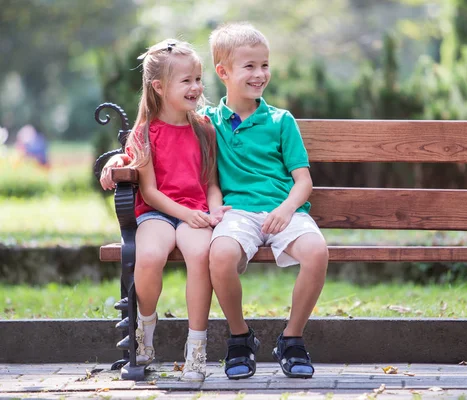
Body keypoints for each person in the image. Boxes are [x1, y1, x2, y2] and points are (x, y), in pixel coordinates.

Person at [99, 38, 229, 382]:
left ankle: (197, 349)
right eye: (186, 81)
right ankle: (145, 327)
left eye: (198, 79)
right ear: (159, 86)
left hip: (196, 210)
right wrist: (118, 159)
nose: (196, 87)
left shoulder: (204, 129)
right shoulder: (145, 132)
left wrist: (214, 212)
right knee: (150, 255)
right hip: (157, 212)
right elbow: (152, 192)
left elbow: (212, 183)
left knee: (201, 254)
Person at [205, 22, 329, 380]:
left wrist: (286, 209)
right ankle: (240, 337)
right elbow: (210, 179)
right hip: (237, 212)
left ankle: (291, 339)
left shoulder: (280, 120)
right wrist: (215, 208)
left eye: (265, 65)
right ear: (223, 72)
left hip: (283, 209)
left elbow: (303, 181)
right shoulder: (209, 123)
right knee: (221, 255)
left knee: (317, 252)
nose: (260, 74)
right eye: (250, 66)